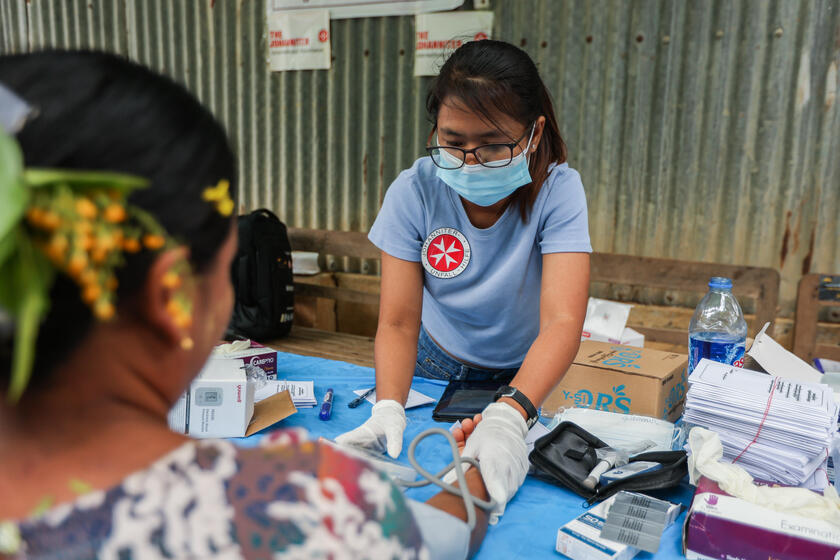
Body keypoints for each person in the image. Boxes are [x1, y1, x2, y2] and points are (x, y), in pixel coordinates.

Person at [0, 51, 489, 560]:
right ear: (173, 295)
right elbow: (442, 538)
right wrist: (479, 471)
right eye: (226, 263)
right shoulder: (293, 508)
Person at [337, 39, 591, 521]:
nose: (470, 161)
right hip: (435, 363)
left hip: (525, 372)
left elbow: (562, 322)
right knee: (428, 463)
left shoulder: (558, 191)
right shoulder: (414, 191)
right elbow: (398, 322)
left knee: (493, 476)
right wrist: (388, 406)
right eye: (453, 143)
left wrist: (511, 413)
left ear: (534, 133)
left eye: (493, 145)